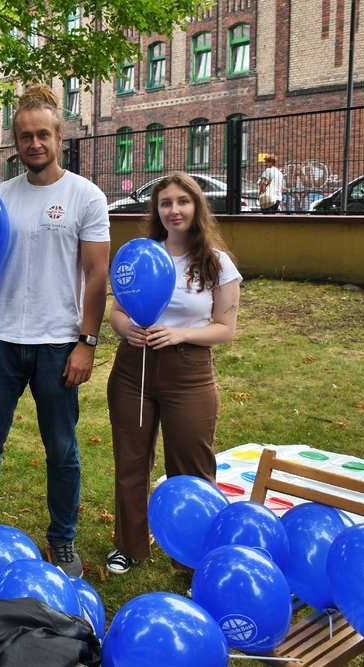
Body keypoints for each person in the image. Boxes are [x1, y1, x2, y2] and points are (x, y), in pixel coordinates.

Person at [0, 84, 110, 577]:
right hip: (3, 344)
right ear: (14, 142)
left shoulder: (86, 196)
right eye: (24, 136)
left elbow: (97, 276)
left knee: (62, 451)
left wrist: (87, 342)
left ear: (59, 136)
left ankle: (62, 541)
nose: (34, 143)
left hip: (60, 346)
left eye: (43, 135)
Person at [105, 172, 241, 575]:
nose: (174, 209)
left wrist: (179, 333)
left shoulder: (216, 263)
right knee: (131, 462)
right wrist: (124, 328)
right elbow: (118, 309)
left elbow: (226, 328)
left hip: (189, 373)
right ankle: (128, 545)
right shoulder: (143, 255)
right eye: (165, 202)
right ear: (156, 210)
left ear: (197, 207)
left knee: (192, 467)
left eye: (182, 201)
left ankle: (194, 555)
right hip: (134, 370)